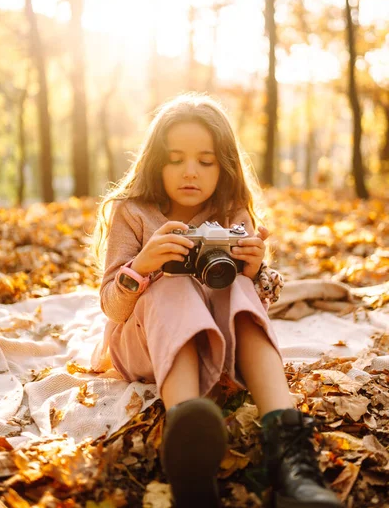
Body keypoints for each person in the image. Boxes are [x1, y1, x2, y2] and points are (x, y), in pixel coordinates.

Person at [91, 93, 342, 508]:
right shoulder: (133, 213)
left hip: (218, 341)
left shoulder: (230, 211)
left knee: (239, 287)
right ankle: (188, 439)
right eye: (176, 159)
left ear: (223, 164)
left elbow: (260, 301)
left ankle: (292, 458)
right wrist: (142, 266)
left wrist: (255, 271)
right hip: (144, 346)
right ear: (156, 161)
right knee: (169, 284)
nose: (190, 172)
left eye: (205, 161)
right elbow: (112, 308)